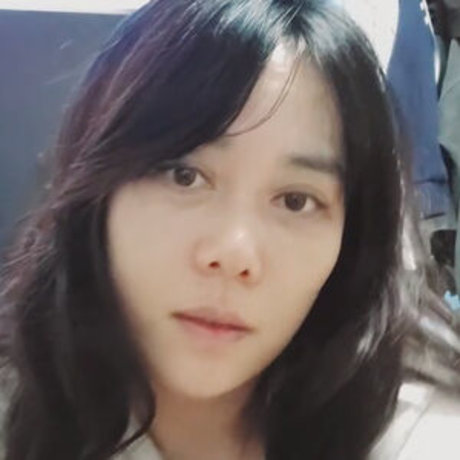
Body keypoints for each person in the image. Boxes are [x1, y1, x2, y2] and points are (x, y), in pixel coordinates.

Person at [1, 1, 460, 459]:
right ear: (96, 191)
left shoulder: (421, 438)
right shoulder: (19, 409)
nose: (232, 253)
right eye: (184, 176)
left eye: (296, 201)